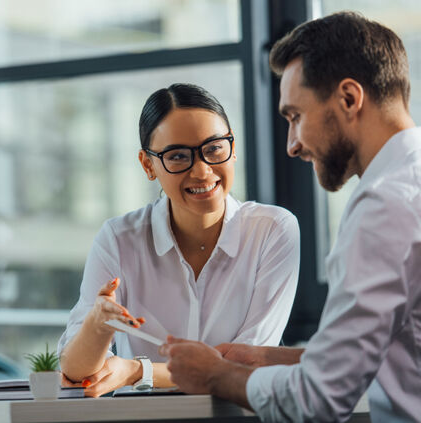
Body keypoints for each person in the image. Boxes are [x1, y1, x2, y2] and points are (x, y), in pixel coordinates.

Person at [160, 12, 420, 423]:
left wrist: (216, 375)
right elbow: (402, 350)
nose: (292, 146)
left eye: (295, 116)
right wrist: (270, 358)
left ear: (349, 98)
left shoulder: (385, 208)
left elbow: (317, 399)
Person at [57, 83, 300, 397]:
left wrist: (137, 371)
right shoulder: (118, 239)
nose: (202, 171)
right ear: (148, 165)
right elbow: (75, 371)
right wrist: (97, 326)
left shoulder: (273, 230)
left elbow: (247, 362)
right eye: (178, 156)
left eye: (214, 148)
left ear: (233, 146)